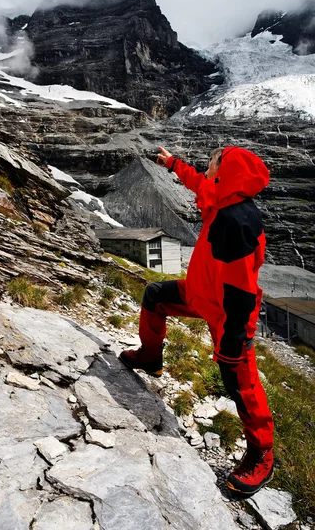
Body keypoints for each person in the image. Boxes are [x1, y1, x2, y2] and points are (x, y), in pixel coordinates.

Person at [119, 145, 274, 497]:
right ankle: (150, 357)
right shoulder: (220, 196)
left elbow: (242, 290)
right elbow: (197, 183)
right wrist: (170, 162)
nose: (205, 167)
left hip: (227, 314)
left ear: (224, 170)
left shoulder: (236, 220)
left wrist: (236, 337)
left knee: (240, 384)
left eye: (212, 163)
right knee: (155, 295)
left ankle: (262, 453)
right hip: (200, 294)